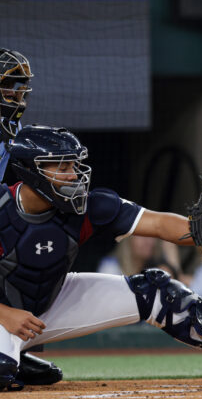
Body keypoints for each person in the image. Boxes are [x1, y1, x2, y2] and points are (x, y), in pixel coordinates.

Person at [0, 125, 202, 390]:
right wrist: (5, 315)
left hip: (44, 306)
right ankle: (14, 359)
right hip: (4, 316)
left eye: (74, 164)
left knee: (157, 290)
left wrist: (201, 229)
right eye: (61, 166)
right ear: (28, 171)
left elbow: (156, 223)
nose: (73, 174)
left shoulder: (89, 206)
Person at [0, 49, 64, 386]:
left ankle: (13, 351)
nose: (17, 94)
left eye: (19, 86)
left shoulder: (12, 128)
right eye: (8, 86)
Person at [98, 235, 191, 284]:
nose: (148, 241)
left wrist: (172, 259)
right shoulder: (111, 267)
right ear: (128, 239)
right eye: (142, 235)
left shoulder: (155, 268)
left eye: (152, 236)